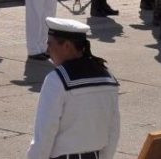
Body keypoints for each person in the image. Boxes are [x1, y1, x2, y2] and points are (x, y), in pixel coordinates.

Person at [27, 17, 120, 159]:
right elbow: (113, 130)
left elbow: (44, 135)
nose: (47, 51)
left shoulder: (57, 80)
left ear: (66, 46)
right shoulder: (108, 77)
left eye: (50, 44)